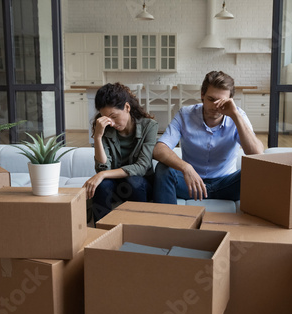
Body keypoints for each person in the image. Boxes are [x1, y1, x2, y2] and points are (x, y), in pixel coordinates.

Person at [153, 70, 264, 204]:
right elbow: (159, 149)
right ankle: (167, 223)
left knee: (258, 170)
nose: (215, 106)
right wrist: (186, 167)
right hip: (190, 184)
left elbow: (257, 154)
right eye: (211, 99)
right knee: (162, 169)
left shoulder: (238, 115)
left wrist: (235, 115)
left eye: (221, 101)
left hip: (227, 184)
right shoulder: (185, 114)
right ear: (202, 95)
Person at [83, 83, 158, 222]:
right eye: (106, 118)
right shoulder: (104, 128)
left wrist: (103, 174)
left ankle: (139, 230)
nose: (111, 123)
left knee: (133, 181)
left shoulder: (149, 126)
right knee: (102, 185)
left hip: (140, 184)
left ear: (127, 107)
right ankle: (102, 233)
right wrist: (98, 137)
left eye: (114, 116)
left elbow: (142, 167)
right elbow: (102, 167)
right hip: (115, 185)